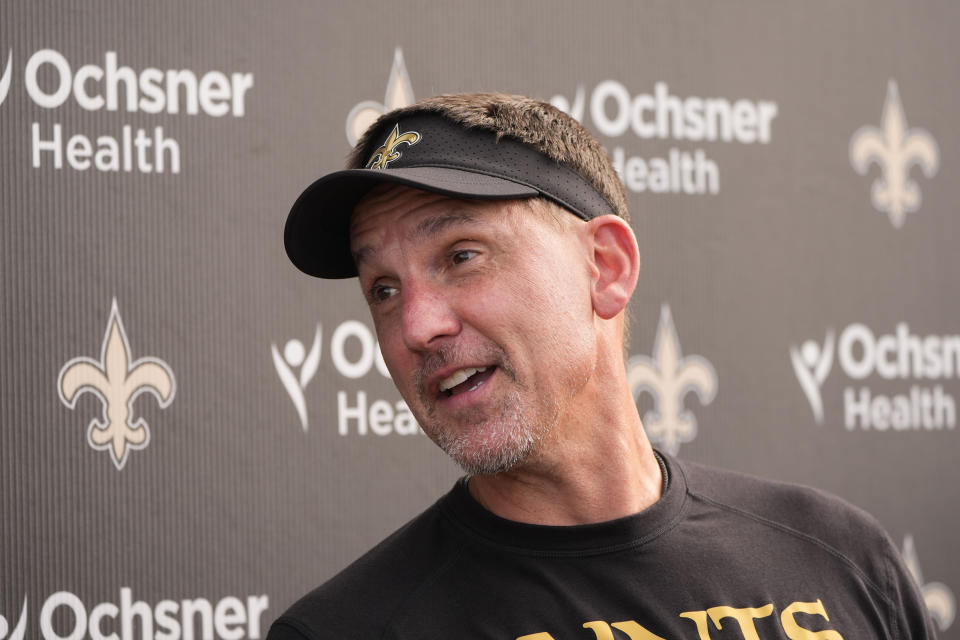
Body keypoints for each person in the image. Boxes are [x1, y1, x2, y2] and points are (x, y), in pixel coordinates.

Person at [269, 93, 935, 639]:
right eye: (382, 290)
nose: (415, 326)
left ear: (605, 269)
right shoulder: (342, 629)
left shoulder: (842, 558)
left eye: (461, 255)